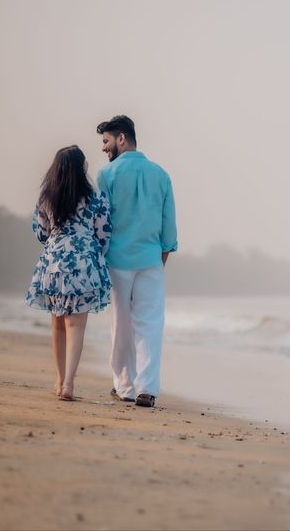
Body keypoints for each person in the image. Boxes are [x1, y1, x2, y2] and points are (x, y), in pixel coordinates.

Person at [96, 115, 177, 408]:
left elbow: (102, 224)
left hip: (117, 260)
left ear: (121, 138)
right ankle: (148, 388)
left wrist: (101, 258)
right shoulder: (161, 174)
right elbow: (169, 229)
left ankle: (125, 386)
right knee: (150, 324)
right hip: (152, 260)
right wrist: (159, 260)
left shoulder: (107, 175)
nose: (104, 148)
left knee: (121, 324)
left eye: (106, 141)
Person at [26, 145, 112, 401]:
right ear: (81, 166)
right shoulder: (95, 196)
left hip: (54, 263)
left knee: (57, 324)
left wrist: (57, 242)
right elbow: (104, 233)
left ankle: (59, 378)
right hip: (84, 263)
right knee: (76, 326)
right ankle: (69, 384)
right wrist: (95, 253)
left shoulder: (47, 196)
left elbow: (39, 231)